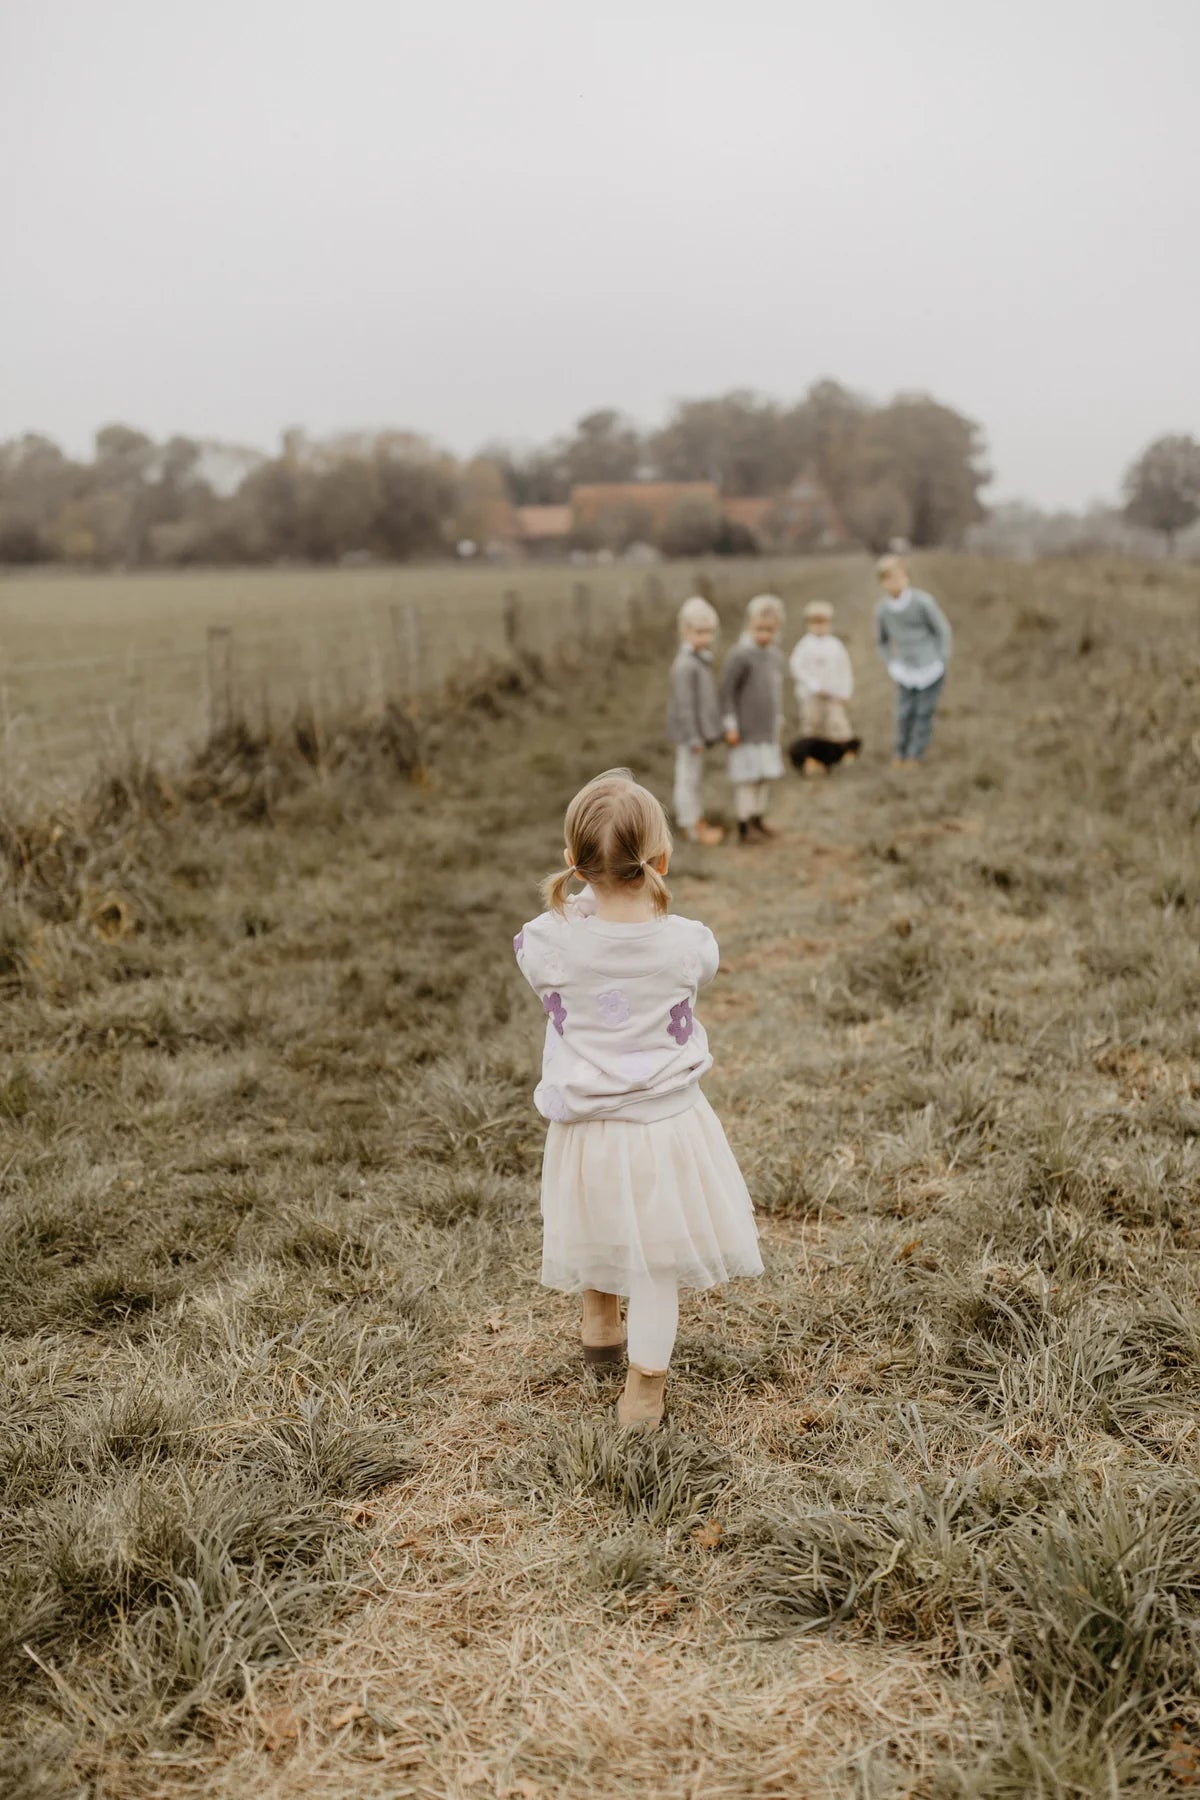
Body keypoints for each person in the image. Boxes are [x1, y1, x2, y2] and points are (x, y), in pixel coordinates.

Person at [513, 769, 762, 1429]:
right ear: (662, 861)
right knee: (657, 1259)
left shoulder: (546, 944)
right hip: (663, 1127)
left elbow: (556, 936)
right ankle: (645, 1387)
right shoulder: (687, 945)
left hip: (587, 1125)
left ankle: (599, 1320)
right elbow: (673, 945)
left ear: (571, 864)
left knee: (597, 1218)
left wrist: (585, 901)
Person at [719, 593, 787, 843]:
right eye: (759, 628)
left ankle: (758, 818)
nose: (764, 635)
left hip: (767, 730)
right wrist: (730, 725)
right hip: (745, 731)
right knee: (747, 779)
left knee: (764, 776)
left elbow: (775, 692)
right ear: (749, 624)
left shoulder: (775, 656)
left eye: (770, 629)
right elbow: (727, 692)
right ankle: (744, 825)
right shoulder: (740, 655)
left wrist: (778, 719)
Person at [874, 556, 952, 767]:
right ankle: (900, 752)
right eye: (888, 578)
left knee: (923, 712)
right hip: (905, 669)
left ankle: (916, 754)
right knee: (904, 712)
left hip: (930, 666)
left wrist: (942, 658)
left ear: (907, 577)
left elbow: (942, 630)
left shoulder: (922, 601)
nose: (894, 582)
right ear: (882, 582)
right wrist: (891, 663)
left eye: (898, 576)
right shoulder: (883, 610)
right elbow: (881, 641)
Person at [665, 595, 724, 846]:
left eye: (708, 632)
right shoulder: (685, 665)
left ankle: (696, 820)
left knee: (695, 777)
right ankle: (690, 825)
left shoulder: (699, 659)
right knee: (688, 778)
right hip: (690, 735)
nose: (705, 638)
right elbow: (685, 707)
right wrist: (693, 736)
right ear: (685, 631)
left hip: (697, 733)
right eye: (699, 632)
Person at [787, 599, 860, 776]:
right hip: (812, 695)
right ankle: (812, 760)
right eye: (815, 622)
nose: (819, 627)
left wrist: (845, 691)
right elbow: (797, 667)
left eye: (823, 622)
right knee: (812, 725)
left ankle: (834, 758)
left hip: (833, 694)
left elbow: (845, 669)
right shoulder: (805, 646)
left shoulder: (835, 646)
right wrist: (813, 685)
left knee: (835, 724)